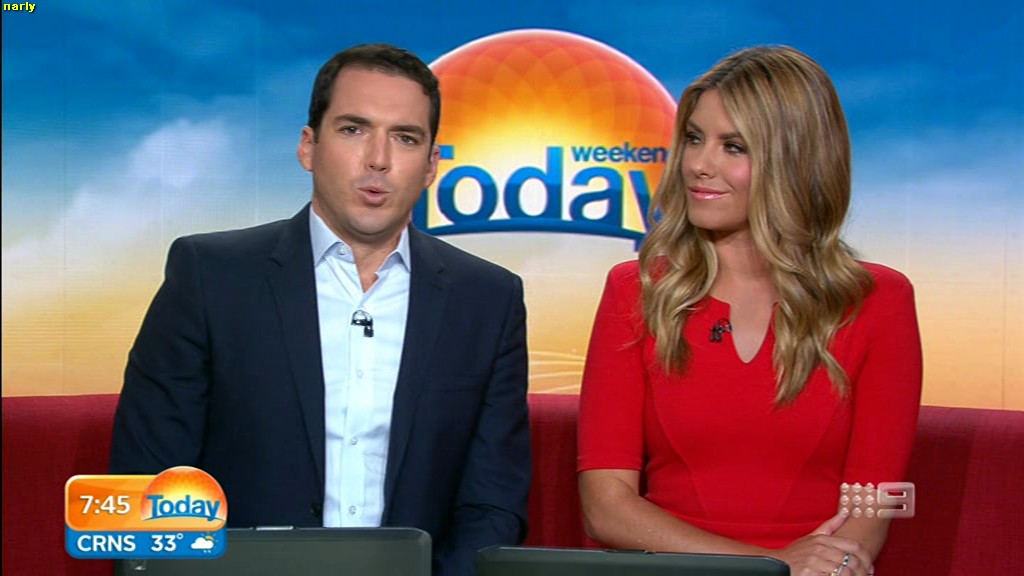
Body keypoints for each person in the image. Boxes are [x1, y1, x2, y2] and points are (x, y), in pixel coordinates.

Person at [110, 43, 531, 576]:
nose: (378, 158)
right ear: (308, 147)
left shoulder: (487, 299)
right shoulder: (209, 277)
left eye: (405, 138)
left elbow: (491, 502)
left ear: (430, 166)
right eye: (353, 129)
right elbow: (149, 481)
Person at [577, 45, 922, 576]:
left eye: (732, 147)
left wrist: (824, 565)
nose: (699, 164)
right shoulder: (638, 291)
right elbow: (605, 506)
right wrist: (768, 566)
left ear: (796, 162)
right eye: (695, 139)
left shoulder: (878, 301)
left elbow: (873, 504)